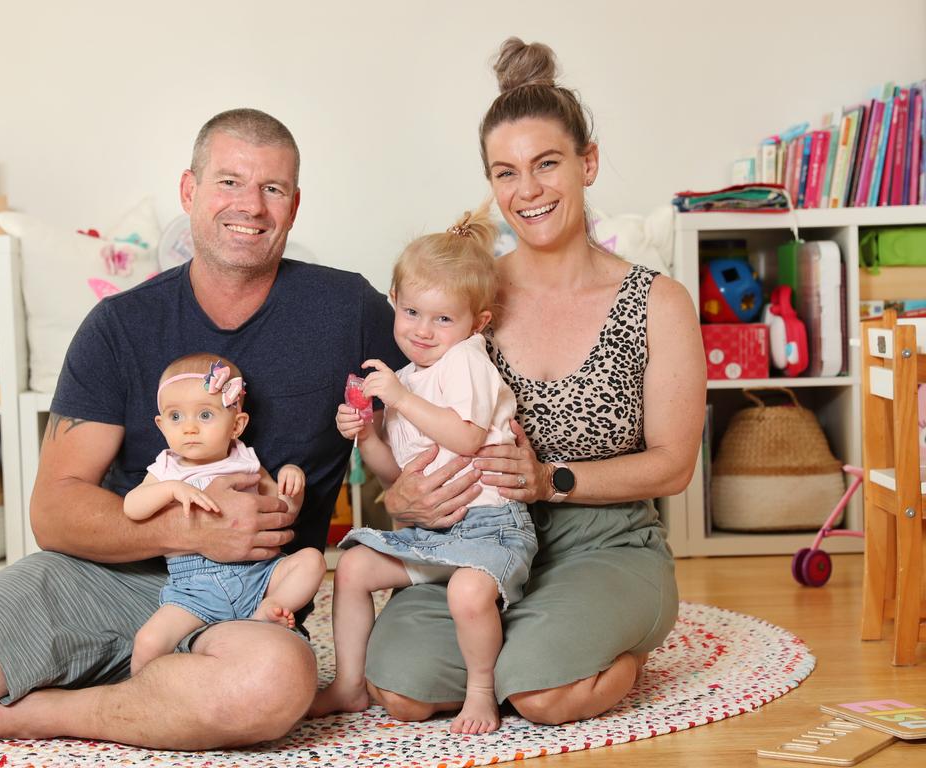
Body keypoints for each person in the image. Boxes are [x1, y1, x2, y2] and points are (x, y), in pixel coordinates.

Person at [0, 108, 404, 749]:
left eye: (271, 188)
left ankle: (26, 716)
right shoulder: (118, 326)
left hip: (243, 604)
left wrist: (409, 490)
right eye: (228, 182)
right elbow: (54, 510)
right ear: (189, 192)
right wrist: (191, 528)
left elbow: (425, 412)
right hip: (98, 577)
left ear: (294, 206)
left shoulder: (349, 311)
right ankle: (135, 694)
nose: (249, 205)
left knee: (273, 684)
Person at [362, 38, 707, 726]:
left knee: (539, 696)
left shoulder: (657, 302)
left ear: (588, 163)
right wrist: (400, 494)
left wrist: (552, 479)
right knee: (401, 691)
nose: (528, 191)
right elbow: (408, 419)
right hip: (475, 540)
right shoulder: (465, 299)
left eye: (547, 164)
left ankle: (626, 641)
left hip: (604, 541)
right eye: (506, 172)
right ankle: (529, 641)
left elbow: (674, 466)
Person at [310, 205, 536, 735]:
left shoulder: (467, 362)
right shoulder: (408, 376)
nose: (423, 331)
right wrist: (366, 434)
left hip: (490, 529)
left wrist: (397, 399)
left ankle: (480, 692)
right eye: (411, 312)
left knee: (466, 594)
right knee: (352, 568)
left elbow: (466, 436)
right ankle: (349, 683)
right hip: (433, 531)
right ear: (394, 302)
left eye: (443, 318)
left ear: (476, 324)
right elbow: (394, 475)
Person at [126, 353, 326, 675]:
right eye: (176, 417)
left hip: (258, 574)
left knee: (312, 561)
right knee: (148, 642)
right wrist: (171, 489)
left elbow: (282, 513)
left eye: (205, 415)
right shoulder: (166, 469)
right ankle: (141, 699)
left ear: (237, 424)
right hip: (195, 587)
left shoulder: (245, 460)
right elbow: (132, 507)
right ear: (161, 425)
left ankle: (265, 614)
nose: (189, 428)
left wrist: (293, 484)